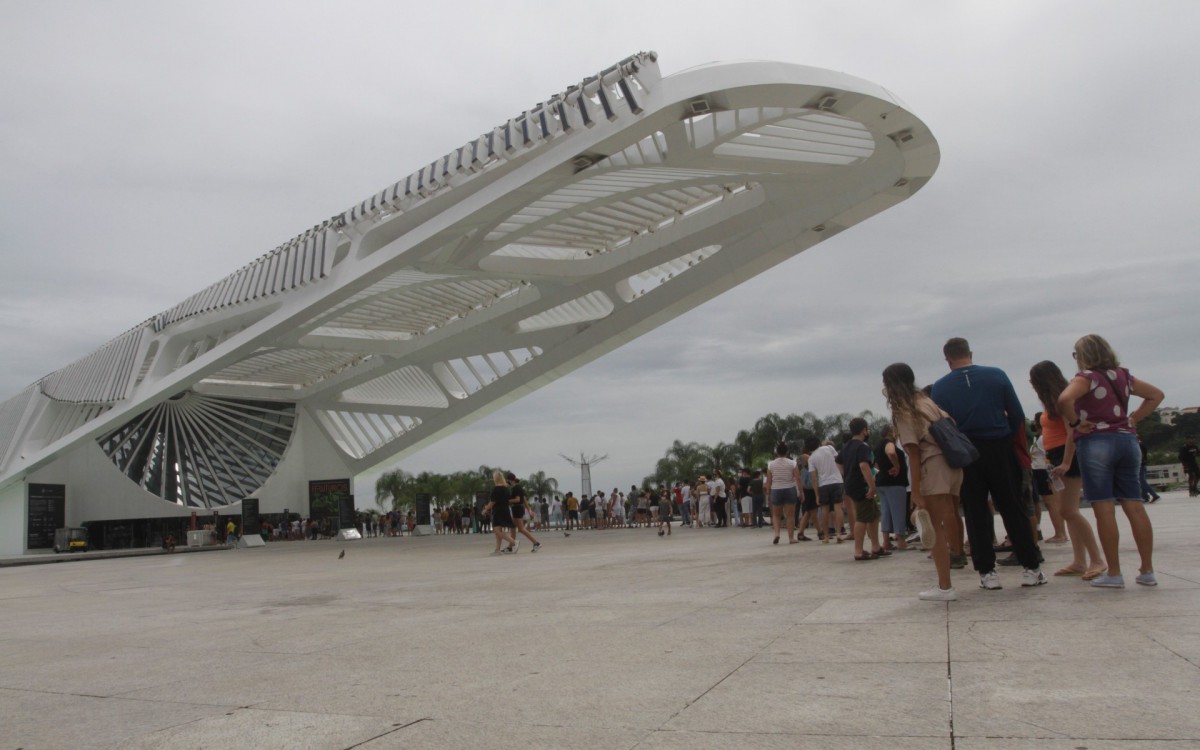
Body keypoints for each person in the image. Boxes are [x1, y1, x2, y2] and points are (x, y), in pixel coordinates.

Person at [932, 337, 1046, 590]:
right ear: (970, 353)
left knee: (975, 511)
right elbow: (1016, 413)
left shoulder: (940, 387)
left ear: (947, 359)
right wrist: (1003, 432)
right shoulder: (997, 375)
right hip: (999, 445)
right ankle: (1031, 566)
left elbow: (941, 425)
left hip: (966, 451)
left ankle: (987, 572)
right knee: (1011, 505)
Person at [1057, 334, 1164, 588]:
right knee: (1134, 505)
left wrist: (1075, 422)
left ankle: (1114, 572)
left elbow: (1064, 400)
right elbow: (1156, 395)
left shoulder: (1086, 378)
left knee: (1103, 507)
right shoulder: (1124, 376)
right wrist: (1134, 418)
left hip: (1096, 442)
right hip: (1127, 441)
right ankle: (1147, 570)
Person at [884, 363, 963, 600]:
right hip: (952, 465)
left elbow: (914, 453)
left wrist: (916, 492)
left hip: (933, 467)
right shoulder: (927, 402)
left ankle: (945, 586)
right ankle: (954, 562)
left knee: (930, 523)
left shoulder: (905, 411)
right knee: (945, 517)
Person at [1029, 361, 1105, 579]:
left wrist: (1066, 462)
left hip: (1065, 454)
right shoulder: (1053, 402)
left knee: (1069, 510)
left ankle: (1096, 559)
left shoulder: (1063, 400)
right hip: (1055, 455)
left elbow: (1072, 432)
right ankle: (1080, 560)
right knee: (1068, 511)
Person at [841, 418, 885, 560]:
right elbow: (864, 466)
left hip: (851, 484)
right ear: (864, 430)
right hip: (861, 485)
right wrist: (872, 486)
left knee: (874, 514)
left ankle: (876, 547)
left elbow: (838, 462)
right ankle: (858, 551)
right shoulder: (862, 446)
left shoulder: (847, 445)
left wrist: (847, 475)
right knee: (862, 517)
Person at [1028, 414, 1069, 542]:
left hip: (1043, 470)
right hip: (1039, 470)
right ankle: (1060, 532)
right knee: (1051, 504)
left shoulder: (1042, 439)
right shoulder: (1039, 438)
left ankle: (1060, 533)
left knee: (1052, 504)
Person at [875, 425, 910, 551]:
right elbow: (890, 452)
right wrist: (897, 466)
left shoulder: (877, 445)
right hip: (894, 482)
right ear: (891, 433)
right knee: (898, 511)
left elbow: (875, 462)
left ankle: (885, 541)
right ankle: (901, 541)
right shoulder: (889, 443)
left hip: (882, 482)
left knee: (886, 512)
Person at [807, 437, 845, 543]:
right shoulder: (829, 448)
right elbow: (839, 460)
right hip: (837, 481)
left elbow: (814, 479)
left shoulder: (811, 458)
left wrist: (817, 495)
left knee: (825, 510)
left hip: (823, 484)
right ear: (819, 443)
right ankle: (839, 534)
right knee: (838, 508)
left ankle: (826, 536)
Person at [763, 442, 801, 544]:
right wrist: (801, 492)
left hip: (776, 489)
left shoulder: (771, 464)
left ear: (777, 452)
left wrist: (768, 492)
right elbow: (798, 478)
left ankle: (777, 534)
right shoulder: (792, 463)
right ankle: (791, 538)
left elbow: (769, 481)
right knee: (790, 516)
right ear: (787, 452)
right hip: (789, 488)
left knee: (776, 515)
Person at [482, 470, 517, 555]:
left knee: (497, 531)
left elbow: (493, 501)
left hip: (498, 511)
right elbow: (508, 500)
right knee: (499, 531)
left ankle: (513, 542)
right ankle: (497, 550)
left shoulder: (496, 489)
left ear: (495, 479)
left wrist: (485, 509)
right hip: (505, 510)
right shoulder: (506, 489)